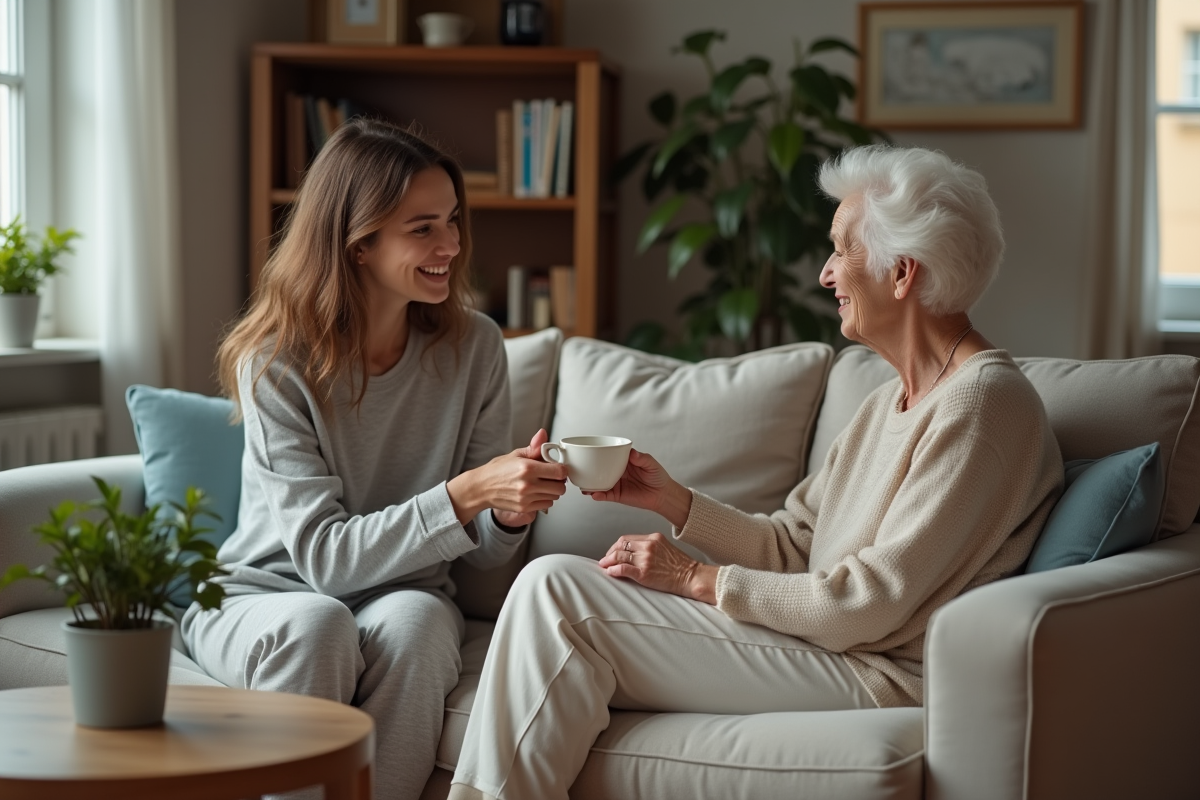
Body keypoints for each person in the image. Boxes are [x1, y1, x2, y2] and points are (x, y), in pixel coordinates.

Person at [448, 145, 1065, 800]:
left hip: (875, 669)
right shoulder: (889, 400)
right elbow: (795, 546)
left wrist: (694, 577)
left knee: (557, 592)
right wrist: (673, 501)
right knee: (555, 589)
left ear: (902, 272)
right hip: (832, 647)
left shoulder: (980, 404)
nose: (826, 275)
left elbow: (871, 599)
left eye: (840, 251)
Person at [181, 118, 567, 800]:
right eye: (423, 228)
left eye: (451, 220)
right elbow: (324, 563)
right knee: (320, 623)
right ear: (358, 243)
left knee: (417, 625)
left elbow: (480, 554)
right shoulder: (275, 359)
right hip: (265, 594)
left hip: (404, 592)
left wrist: (506, 511)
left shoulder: (475, 346)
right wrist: (466, 492)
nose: (451, 244)